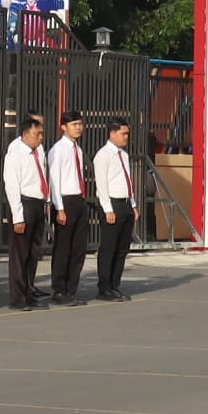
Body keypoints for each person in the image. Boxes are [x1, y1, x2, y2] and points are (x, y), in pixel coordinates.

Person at [4, 115, 50, 311]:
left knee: (33, 253)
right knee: (19, 254)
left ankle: (29, 292)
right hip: (24, 204)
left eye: (41, 133)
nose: (40, 137)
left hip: (37, 204)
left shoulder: (38, 153)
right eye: (36, 133)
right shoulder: (15, 154)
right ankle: (17, 297)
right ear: (25, 133)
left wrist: (46, 201)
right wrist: (18, 216)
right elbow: (12, 186)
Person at [47, 111, 92, 306]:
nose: (78, 127)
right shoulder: (57, 150)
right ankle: (59, 289)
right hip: (65, 201)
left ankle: (71, 289)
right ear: (63, 127)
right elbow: (54, 181)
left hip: (79, 200)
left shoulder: (78, 150)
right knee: (63, 248)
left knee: (78, 248)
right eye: (74, 124)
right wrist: (59, 208)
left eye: (80, 124)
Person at [93, 119, 138, 300]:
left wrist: (133, 204)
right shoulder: (103, 155)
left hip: (125, 203)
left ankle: (114, 284)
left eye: (127, 133)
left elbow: (127, 180)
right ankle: (104, 287)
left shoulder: (124, 155)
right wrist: (107, 209)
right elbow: (102, 185)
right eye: (123, 133)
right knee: (109, 248)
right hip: (111, 204)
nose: (126, 137)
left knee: (122, 248)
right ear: (112, 133)